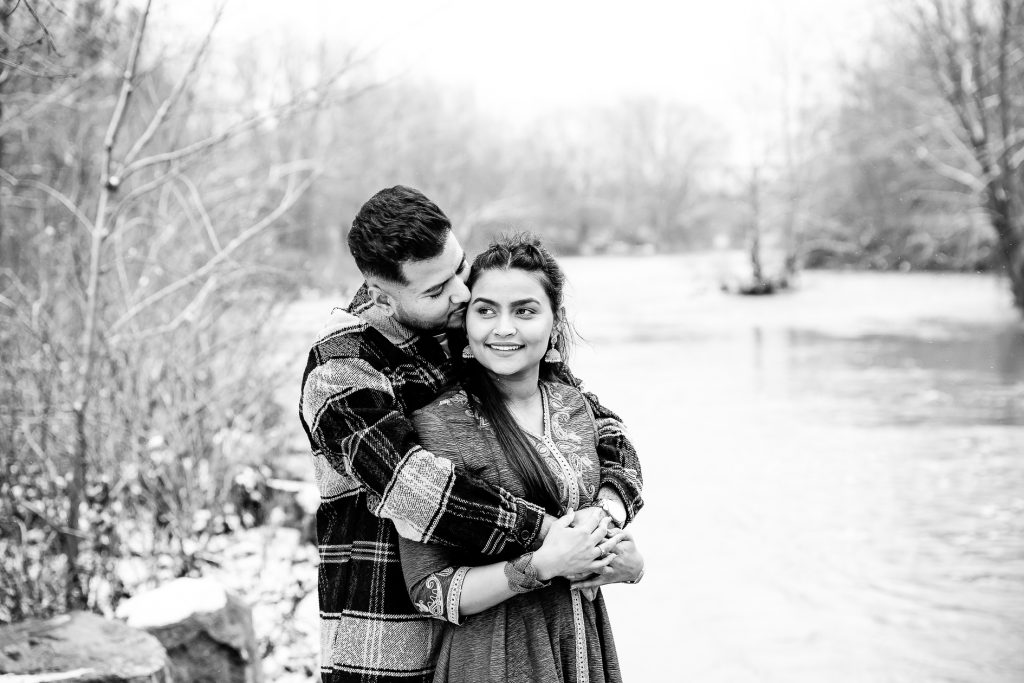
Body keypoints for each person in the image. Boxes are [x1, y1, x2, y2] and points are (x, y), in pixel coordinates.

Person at [299, 186, 644, 683]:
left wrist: (606, 519)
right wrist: (555, 538)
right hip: (390, 638)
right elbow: (419, 491)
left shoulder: (464, 321)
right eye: (437, 289)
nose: (461, 294)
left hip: (515, 631)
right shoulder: (340, 369)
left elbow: (600, 427)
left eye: (459, 268)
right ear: (381, 296)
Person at [397, 233, 644, 683]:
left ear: (555, 321)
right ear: (466, 323)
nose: (504, 328)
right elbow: (428, 590)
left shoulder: (574, 407)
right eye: (486, 310)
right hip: (495, 658)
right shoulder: (439, 424)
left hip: (583, 646)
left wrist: (627, 566)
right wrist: (540, 566)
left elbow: (604, 510)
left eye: (525, 311)